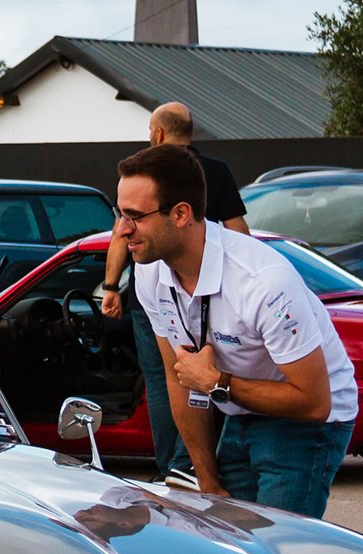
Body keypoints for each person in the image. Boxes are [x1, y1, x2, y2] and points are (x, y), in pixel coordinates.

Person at [117, 144, 358, 518]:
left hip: (309, 417)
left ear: (181, 214)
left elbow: (314, 401)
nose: (121, 230)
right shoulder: (150, 270)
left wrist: (216, 382)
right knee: (229, 539)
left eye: (134, 216)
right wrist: (206, 479)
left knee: (279, 550)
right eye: (120, 214)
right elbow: (180, 378)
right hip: (239, 403)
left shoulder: (262, 281)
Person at [100, 101, 249, 488]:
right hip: (208, 294)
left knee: (165, 379)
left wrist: (112, 286)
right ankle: (200, 462)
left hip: (158, 298)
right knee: (205, 373)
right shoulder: (214, 172)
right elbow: (238, 231)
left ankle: (172, 466)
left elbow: (121, 234)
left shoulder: (144, 173)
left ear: (158, 134)